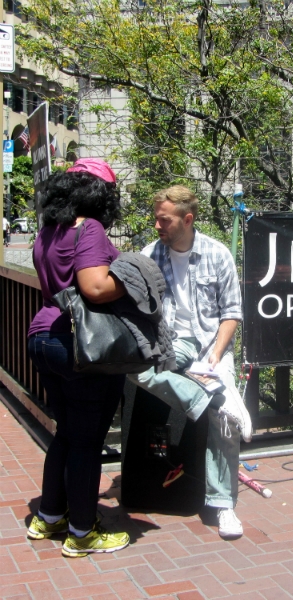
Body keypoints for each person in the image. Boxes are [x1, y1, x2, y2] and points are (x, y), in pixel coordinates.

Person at [131, 185, 251, 539]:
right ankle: (210, 396)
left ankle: (222, 505)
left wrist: (215, 357)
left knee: (224, 423)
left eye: (163, 220)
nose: (156, 226)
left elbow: (232, 313)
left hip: (210, 346)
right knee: (132, 368)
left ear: (187, 219)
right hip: (169, 345)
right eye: (156, 219)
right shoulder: (149, 254)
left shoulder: (216, 254)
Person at [27, 158, 130, 558]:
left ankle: (49, 516)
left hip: (44, 336)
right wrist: (135, 274)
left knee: (67, 433)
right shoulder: (90, 228)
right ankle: (83, 532)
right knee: (87, 441)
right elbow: (95, 286)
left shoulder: (49, 230)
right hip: (81, 345)